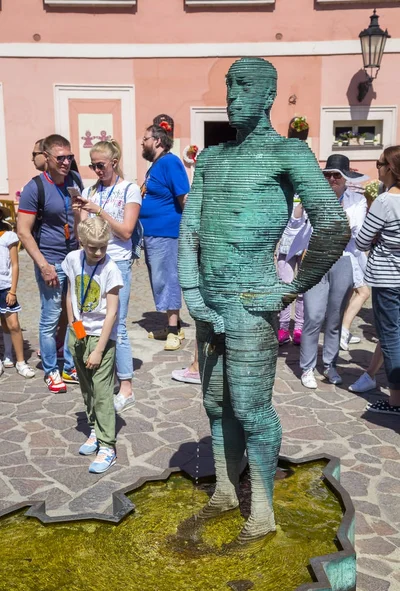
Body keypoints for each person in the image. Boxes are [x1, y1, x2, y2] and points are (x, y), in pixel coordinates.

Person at [179, 57, 349, 541]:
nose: (232, 96)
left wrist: (290, 288)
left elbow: (333, 224)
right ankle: (227, 491)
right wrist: (191, 291)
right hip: (208, 301)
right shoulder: (211, 159)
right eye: (229, 86)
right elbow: (190, 230)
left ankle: (264, 513)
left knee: (252, 407)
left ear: (269, 95)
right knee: (215, 404)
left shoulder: (288, 153)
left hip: (251, 301)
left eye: (244, 86)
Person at [72, 139, 141, 414]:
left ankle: (126, 388)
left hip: (118, 262)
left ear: (114, 162)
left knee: (117, 325)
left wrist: (97, 210)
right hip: (91, 262)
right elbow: (83, 235)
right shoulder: (91, 191)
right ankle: (99, 371)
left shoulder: (129, 189)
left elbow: (125, 231)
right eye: (92, 165)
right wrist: (78, 211)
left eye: (100, 165)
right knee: (91, 318)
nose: (96, 170)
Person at [17, 134, 82, 393]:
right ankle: (51, 369)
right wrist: (44, 265)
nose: (66, 162)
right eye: (61, 158)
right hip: (51, 259)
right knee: (51, 317)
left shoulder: (75, 181)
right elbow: (23, 231)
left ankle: (68, 365)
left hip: (74, 259)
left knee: (75, 314)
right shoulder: (35, 188)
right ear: (47, 158)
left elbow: (80, 217)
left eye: (70, 157)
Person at [300, 154, 367, 389]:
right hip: (315, 260)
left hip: (344, 259)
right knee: (314, 316)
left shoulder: (357, 201)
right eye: (327, 174)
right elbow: (297, 228)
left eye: (336, 175)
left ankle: (330, 365)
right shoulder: (312, 198)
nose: (331, 179)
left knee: (335, 318)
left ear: (346, 178)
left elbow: (355, 228)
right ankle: (307, 367)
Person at [62, 218, 123, 472]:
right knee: (86, 388)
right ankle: (95, 430)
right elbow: (70, 296)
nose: (98, 252)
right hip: (79, 333)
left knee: (101, 392)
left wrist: (99, 349)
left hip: (101, 337)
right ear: (82, 243)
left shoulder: (111, 269)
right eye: (92, 248)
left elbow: (112, 313)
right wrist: (75, 330)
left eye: (103, 247)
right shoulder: (73, 259)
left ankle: (108, 445)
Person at [356, 146, 400, 415]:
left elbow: (362, 240)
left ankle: (395, 401)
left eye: (380, 163)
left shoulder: (385, 201)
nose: (377, 167)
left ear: (391, 168)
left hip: (388, 278)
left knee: (391, 337)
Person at [140, 123, 190, 351]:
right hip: (152, 234)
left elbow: (185, 198)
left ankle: (172, 331)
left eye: (145, 139)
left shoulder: (170, 162)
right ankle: (175, 326)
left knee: (169, 279)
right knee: (159, 279)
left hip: (167, 233)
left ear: (158, 141)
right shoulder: (155, 166)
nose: (143, 143)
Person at [0, 206, 35, 378]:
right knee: (3, 325)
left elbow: (15, 264)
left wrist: (12, 291)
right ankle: (4, 356)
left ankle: (20, 361)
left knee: (13, 324)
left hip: (5, 287)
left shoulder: (8, 237)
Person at [277, 197, 307, 345]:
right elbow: (293, 221)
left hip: (308, 246)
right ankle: (283, 328)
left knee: (304, 290)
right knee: (285, 288)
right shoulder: (288, 191)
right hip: (287, 246)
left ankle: (299, 328)